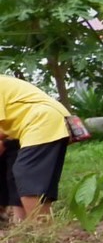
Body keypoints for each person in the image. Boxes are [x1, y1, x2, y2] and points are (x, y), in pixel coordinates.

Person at [0, 75, 71, 221]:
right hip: (33, 124)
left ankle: (41, 228)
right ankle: (22, 222)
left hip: (42, 119)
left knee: (26, 173)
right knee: (17, 169)